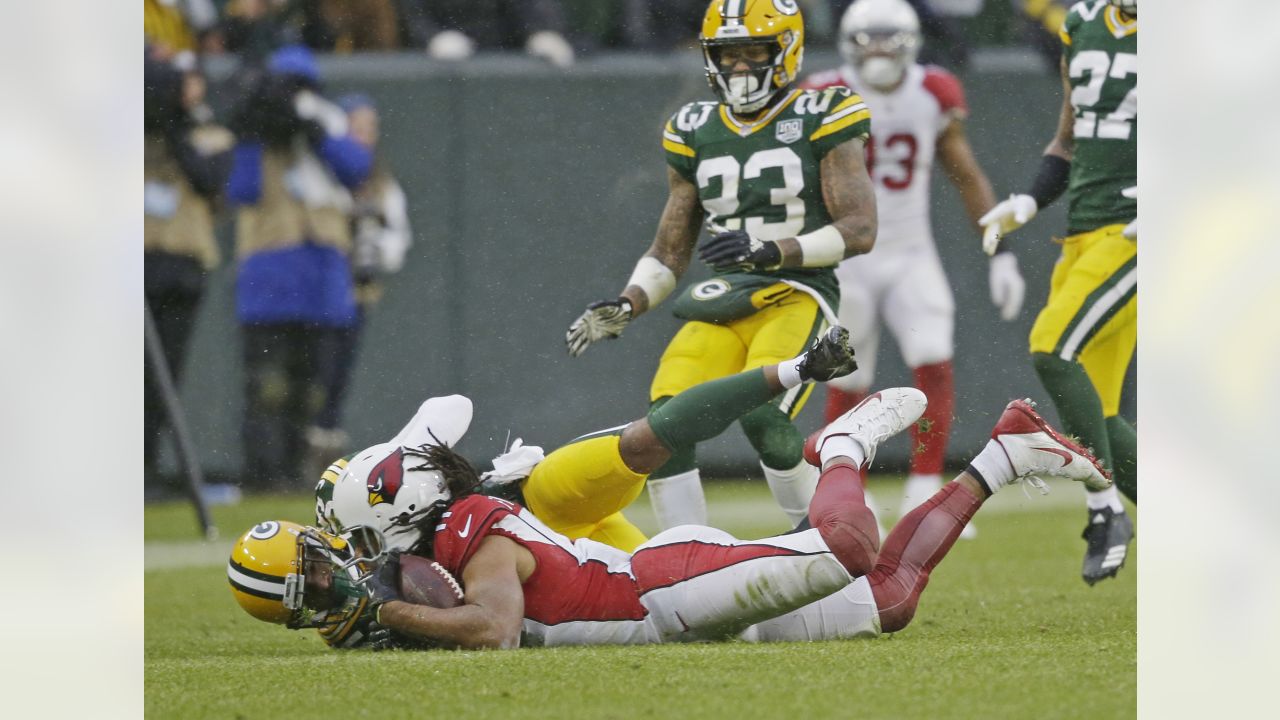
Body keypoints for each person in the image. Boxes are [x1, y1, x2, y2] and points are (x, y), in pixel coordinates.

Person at [230, 380, 1110, 649]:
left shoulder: (466, 532)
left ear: (407, 514)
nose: (362, 557)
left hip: (661, 593)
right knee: (890, 601)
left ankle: (838, 447)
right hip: (661, 605)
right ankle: (1008, 453)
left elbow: (493, 629)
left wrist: (385, 612)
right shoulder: (445, 531)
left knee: (847, 546)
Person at [565, 0, 878, 533]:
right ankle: (686, 559)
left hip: (797, 292)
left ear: (786, 51)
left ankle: (832, 542)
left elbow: (860, 229)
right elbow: (669, 251)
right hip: (725, 296)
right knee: (665, 424)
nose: (739, 68)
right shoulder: (694, 128)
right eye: (727, 55)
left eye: (753, 52)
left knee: (765, 415)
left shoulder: (822, 112)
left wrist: (770, 250)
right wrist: (626, 303)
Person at [801, 0, 1025, 536]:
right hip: (849, 256)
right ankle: (843, 491)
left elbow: (965, 174)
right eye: (867, 38)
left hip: (909, 252)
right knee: (845, 376)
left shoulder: (933, 92)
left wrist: (1001, 249)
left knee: (933, 361)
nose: (878, 50)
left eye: (888, 38)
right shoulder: (822, 93)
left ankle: (925, 487)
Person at [977, 0, 1136, 584]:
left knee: (1051, 347)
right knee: (1102, 414)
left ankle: (1103, 506)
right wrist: (1029, 200)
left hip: (1140, 231)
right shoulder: (1084, 21)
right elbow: (1068, 140)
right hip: (1083, 230)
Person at [225, 45, 373, 492]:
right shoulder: (253, 135)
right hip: (270, 272)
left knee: (312, 386)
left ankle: (297, 473)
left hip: (322, 275)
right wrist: (255, 131)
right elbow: (243, 189)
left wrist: (314, 133)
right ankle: (263, 473)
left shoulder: (325, 124)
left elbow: (356, 167)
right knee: (269, 386)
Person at [302, 93, 414, 484]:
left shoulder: (382, 185)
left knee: (337, 378)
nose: (364, 137)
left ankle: (323, 453)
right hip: (312, 293)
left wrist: (372, 245)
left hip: (355, 293)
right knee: (307, 373)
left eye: (370, 129)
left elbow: (397, 243)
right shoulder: (322, 175)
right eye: (356, 128)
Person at [144, 51, 233, 496]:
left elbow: (207, 177)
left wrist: (175, 125)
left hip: (183, 263)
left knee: (164, 376)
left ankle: (149, 467)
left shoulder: (209, 130)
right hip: (136, 258)